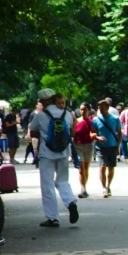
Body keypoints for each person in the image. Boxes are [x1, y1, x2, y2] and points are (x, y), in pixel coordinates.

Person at [29, 89, 79, 227]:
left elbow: (32, 130)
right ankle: (70, 202)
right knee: (63, 181)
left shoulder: (41, 115)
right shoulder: (67, 114)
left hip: (47, 154)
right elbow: (70, 128)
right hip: (63, 152)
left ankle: (52, 218)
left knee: (47, 185)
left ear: (46, 101)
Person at [92, 99, 122, 197]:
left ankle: (108, 186)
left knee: (111, 168)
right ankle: (104, 187)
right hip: (100, 147)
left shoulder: (115, 118)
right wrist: (97, 137)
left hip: (112, 146)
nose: (100, 110)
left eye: (103, 108)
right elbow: (92, 132)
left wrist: (118, 146)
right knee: (102, 166)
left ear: (107, 108)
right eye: (99, 108)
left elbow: (119, 133)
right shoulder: (96, 120)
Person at [73, 103, 96, 198]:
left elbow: (93, 133)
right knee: (81, 168)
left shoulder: (92, 122)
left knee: (86, 168)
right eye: (81, 109)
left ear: (89, 110)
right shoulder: (76, 121)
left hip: (89, 146)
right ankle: (83, 189)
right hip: (78, 146)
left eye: (85, 109)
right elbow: (73, 134)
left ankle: (84, 187)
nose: (83, 111)